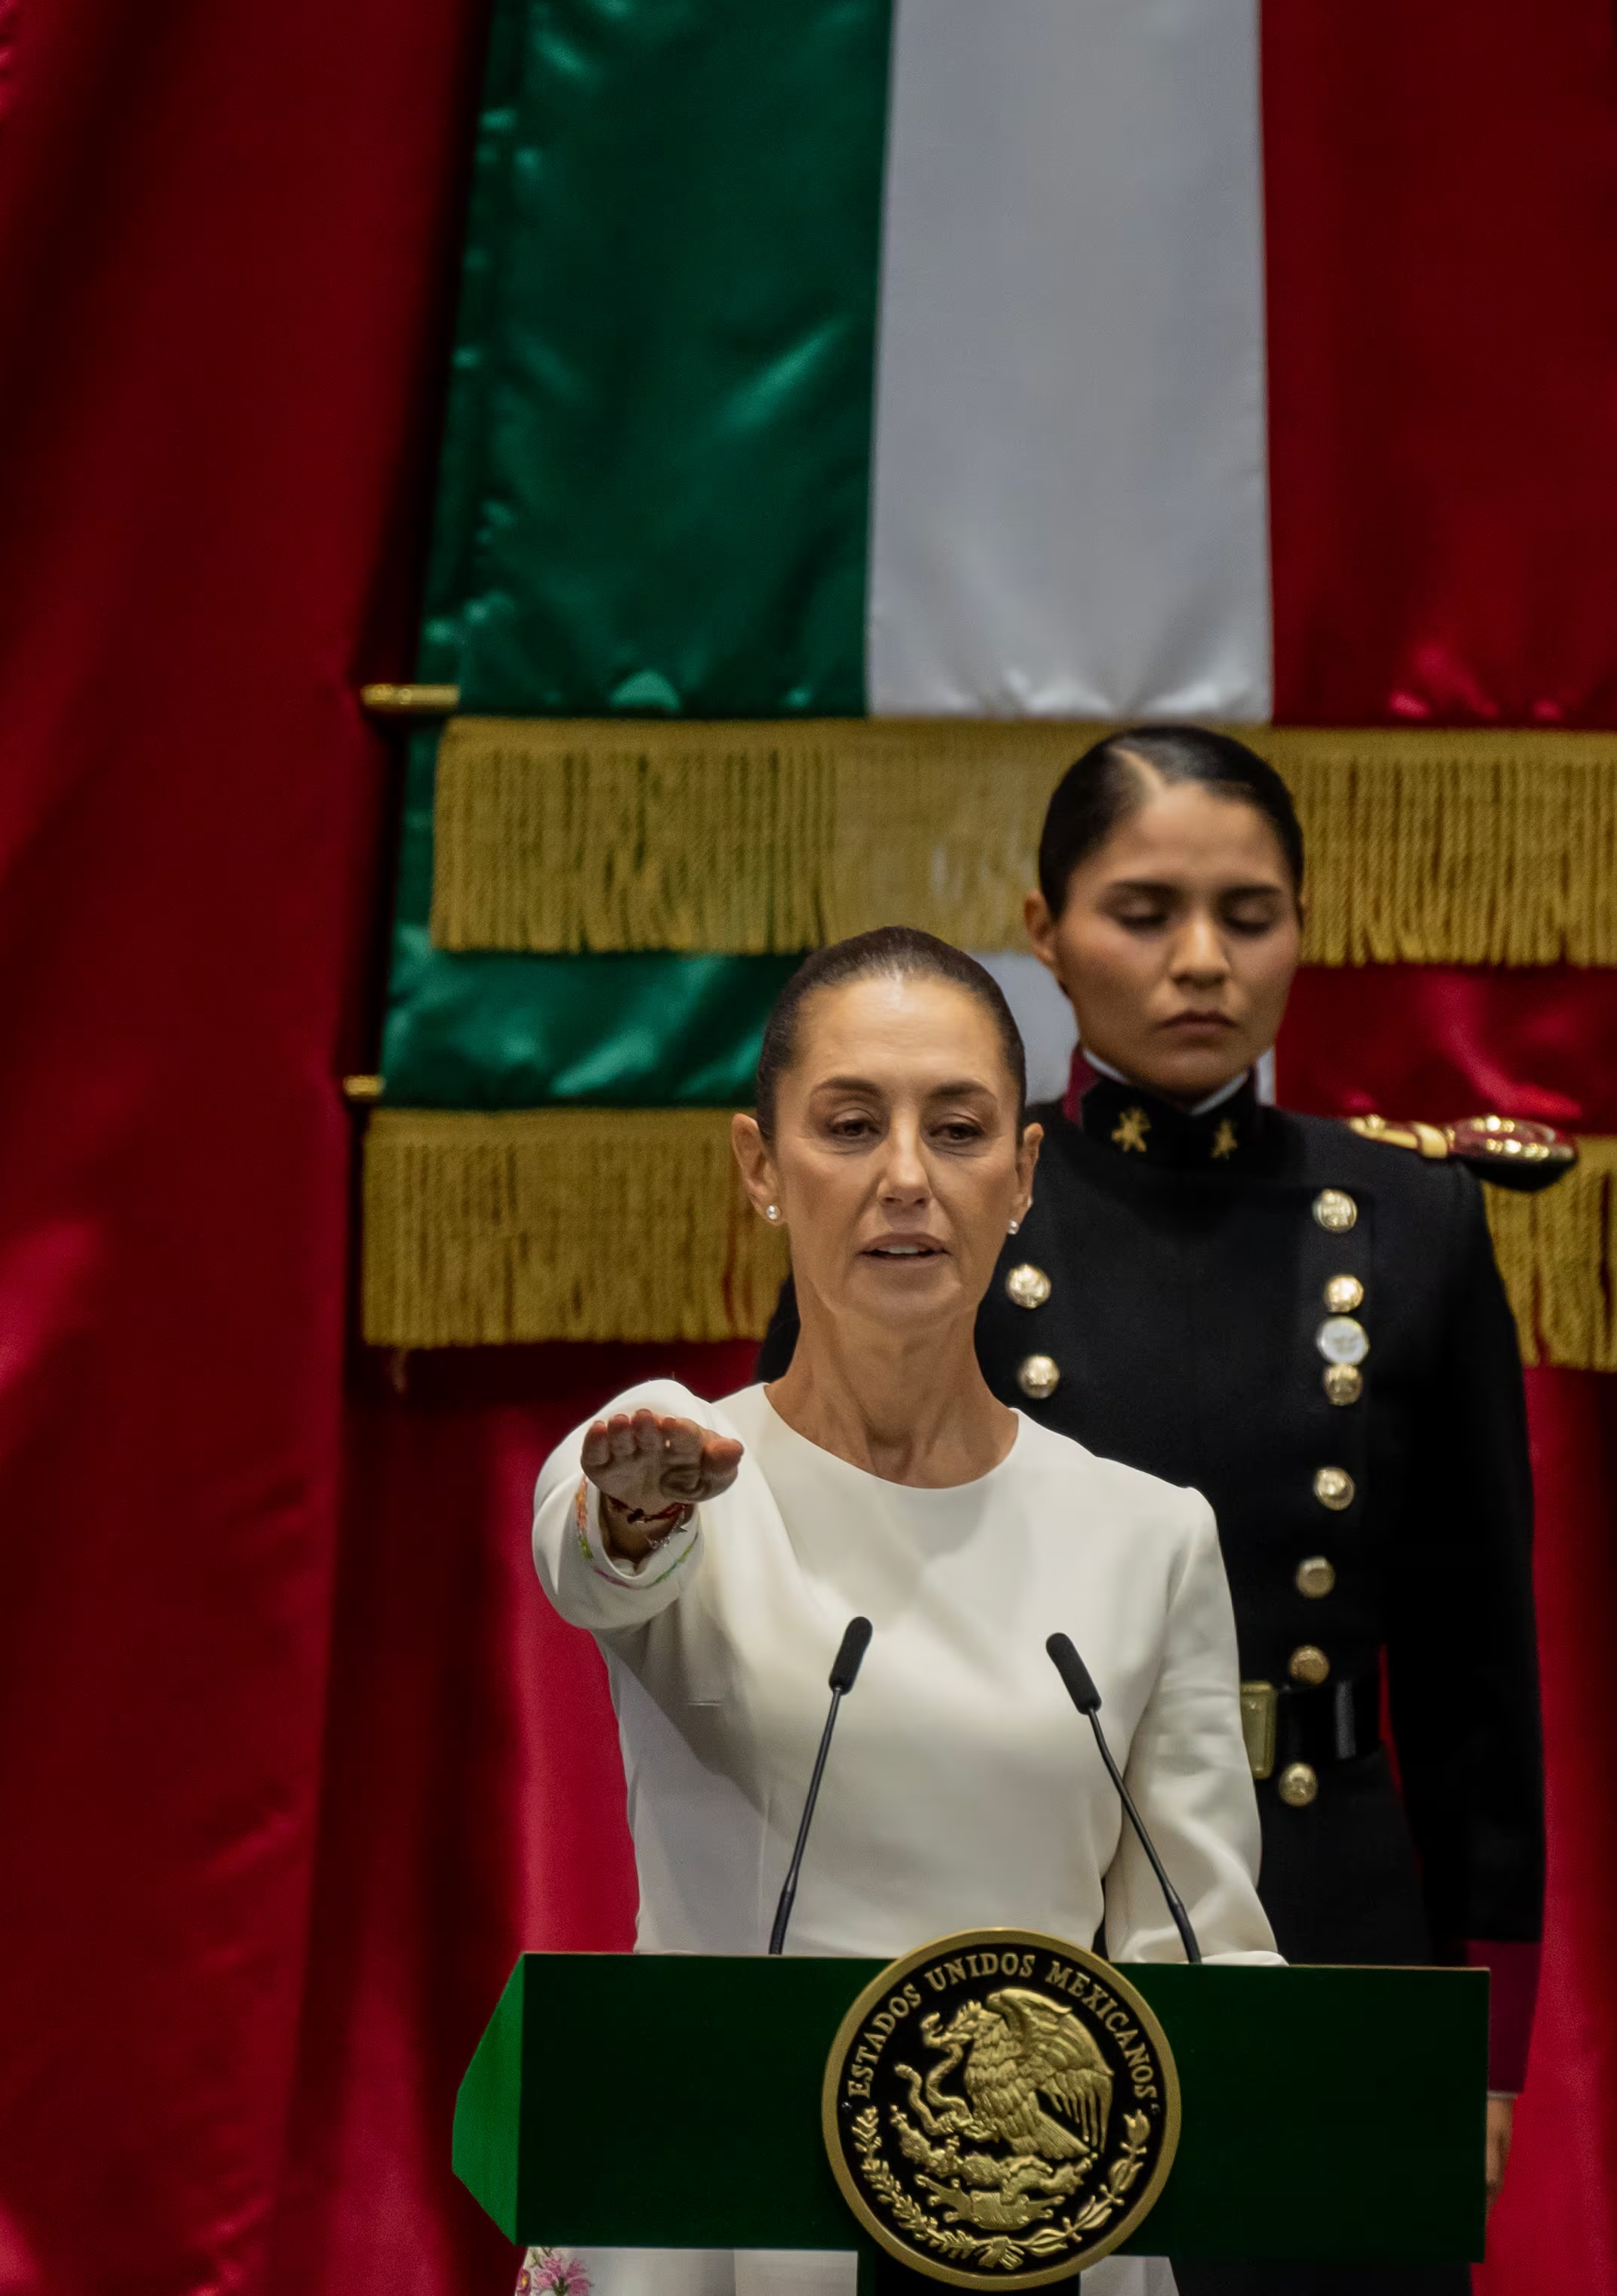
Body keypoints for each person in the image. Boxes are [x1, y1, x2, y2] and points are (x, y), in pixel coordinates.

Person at [758, 731, 1544, 2296]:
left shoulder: (1409, 1222)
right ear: (1043, 931)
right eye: (1143, 909)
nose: (1200, 959)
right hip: (1008, 1918)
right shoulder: (944, 1203)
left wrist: (1486, 2040)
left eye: (1249, 913)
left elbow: (1475, 1682)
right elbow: (807, 1589)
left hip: (1327, 1913)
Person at [529, 926, 1274, 2296]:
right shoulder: (679, 1464)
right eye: (851, 1124)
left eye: (960, 1127)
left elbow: (1206, 1953)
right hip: (717, 2223)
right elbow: (596, 1555)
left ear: (1023, 1177)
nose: (906, 1179)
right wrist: (633, 1508)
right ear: (761, 1167)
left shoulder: (1148, 1534)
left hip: (1041, 2235)